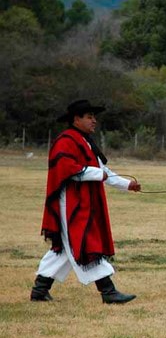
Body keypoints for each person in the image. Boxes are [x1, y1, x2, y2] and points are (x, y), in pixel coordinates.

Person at [30, 99, 141, 304]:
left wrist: (127, 185)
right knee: (84, 241)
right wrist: (98, 174)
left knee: (65, 248)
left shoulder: (85, 141)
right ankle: (108, 292)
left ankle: (39, 290)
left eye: (94, 117)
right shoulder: (66, 140)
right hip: (71, 203)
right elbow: (67, 169)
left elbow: (103, 171)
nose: (94, 121)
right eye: (89, 117)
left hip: (84, 201)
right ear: (76, 119)